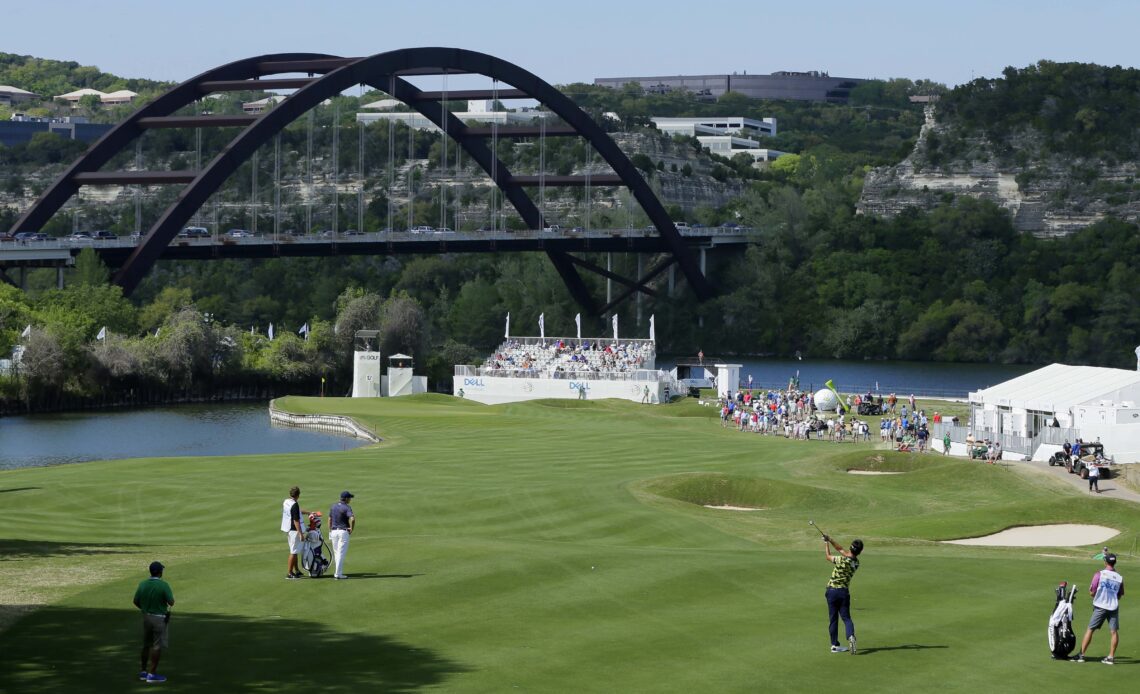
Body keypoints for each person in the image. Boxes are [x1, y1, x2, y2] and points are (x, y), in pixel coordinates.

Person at [1074, 553, 1124, 664]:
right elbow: (1120, 595)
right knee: (1114, 632)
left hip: (1100, 606)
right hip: (1113, 607)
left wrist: (1097, 594)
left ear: (1105, 562)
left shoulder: (1099, 574)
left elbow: (1092, 592)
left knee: (1090, 629)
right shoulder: (1119, 578)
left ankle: (1081, 655)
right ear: (1114, 562)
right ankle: (1111, 657)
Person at [133, 561, 175, 684]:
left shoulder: (143, 584)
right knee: (157, 646)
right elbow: (171, 602)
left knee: (146, 644)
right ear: (160, 572)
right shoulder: (164, 585)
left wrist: (144, 608)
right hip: (159, 618)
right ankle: (152, 674)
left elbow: (136, 601)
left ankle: (143, 671)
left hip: (146, 617)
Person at [822, 534, 863, 655]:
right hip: (844, 593)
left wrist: (826, 543)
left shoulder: (841, 560)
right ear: (860, 552)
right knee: (846, 618)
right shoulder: (856, 563)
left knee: (833, 619)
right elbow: (841, 550)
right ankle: (850, 636)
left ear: (850, 548)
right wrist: (830, 539)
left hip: (832, 592)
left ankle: (834, 645)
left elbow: (828, 557)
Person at [329, 491, 356, 580]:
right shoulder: (347, 507)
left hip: (333, 532)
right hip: (343, 532)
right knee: (340, 553)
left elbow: (330, 519)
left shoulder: (333, 506)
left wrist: (330, 530)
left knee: (337, 553)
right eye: (350, 498)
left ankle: (338, 572)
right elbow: (352, 519)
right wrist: (351, 528)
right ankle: (338, 574)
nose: (350, 500)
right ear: (346, 499)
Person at [282, 486, 306, 580]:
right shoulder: (295, 505)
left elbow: (296, 512)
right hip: (294, 530)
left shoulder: (287, 502)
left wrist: (308, 512)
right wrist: (300, 533)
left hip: (288, 528)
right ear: (298, 495)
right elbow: (296, 520)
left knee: (295, 551)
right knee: (293, 551)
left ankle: (296, 570)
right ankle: (289, 573)